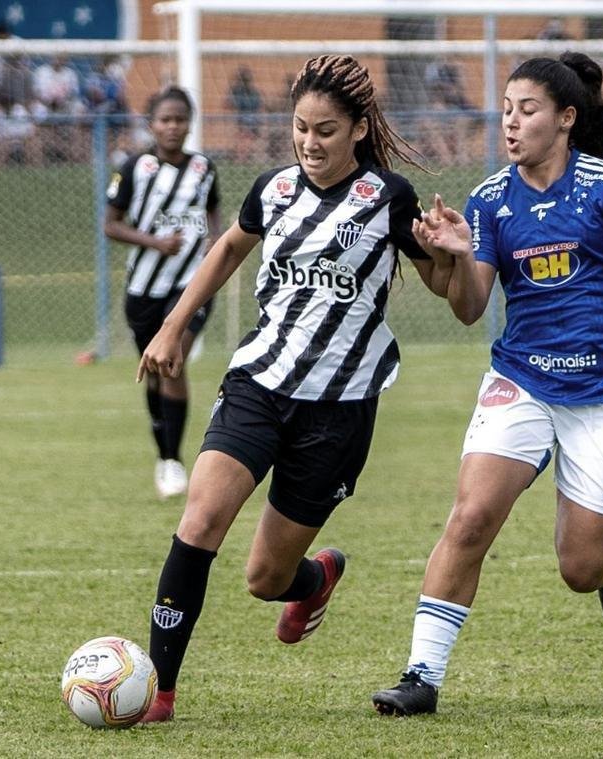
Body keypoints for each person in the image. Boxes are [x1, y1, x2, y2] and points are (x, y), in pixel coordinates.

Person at [371, 52, 603, 716]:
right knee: (472, 514)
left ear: (567, 119)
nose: (512, 123)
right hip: (524, 380)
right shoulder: (489, 200)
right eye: (506, 110)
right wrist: (446, 258)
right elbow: (469, 307)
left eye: (528, 109)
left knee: (579, 567)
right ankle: (421, 675)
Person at [134, 54, 452, 724]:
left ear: (359, 129)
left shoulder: (389, 199)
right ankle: (156, 690)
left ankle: (315, 577)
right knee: (199, 519)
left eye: (327, 130)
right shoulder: (272, 189)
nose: (310, 143)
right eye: (301, 128)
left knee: (265, 579)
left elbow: (453, 291)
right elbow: (226, 248)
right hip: (259, 381)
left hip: (336, 412)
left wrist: (457, 254)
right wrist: (172, 325)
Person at [104, 87, 223, 499]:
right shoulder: (135, 167)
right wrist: (154, 242)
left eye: (180, 119)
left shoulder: (204, 168)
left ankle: (173, 461)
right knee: (154, 370)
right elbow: (111, 224)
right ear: (152, 124)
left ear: (190, 123)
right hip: (145, 288)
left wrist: (216, 239)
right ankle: (163, 452)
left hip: (192, 285)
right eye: (165, 120)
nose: (173, 127)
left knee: (173, 361)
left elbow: (212, 210)